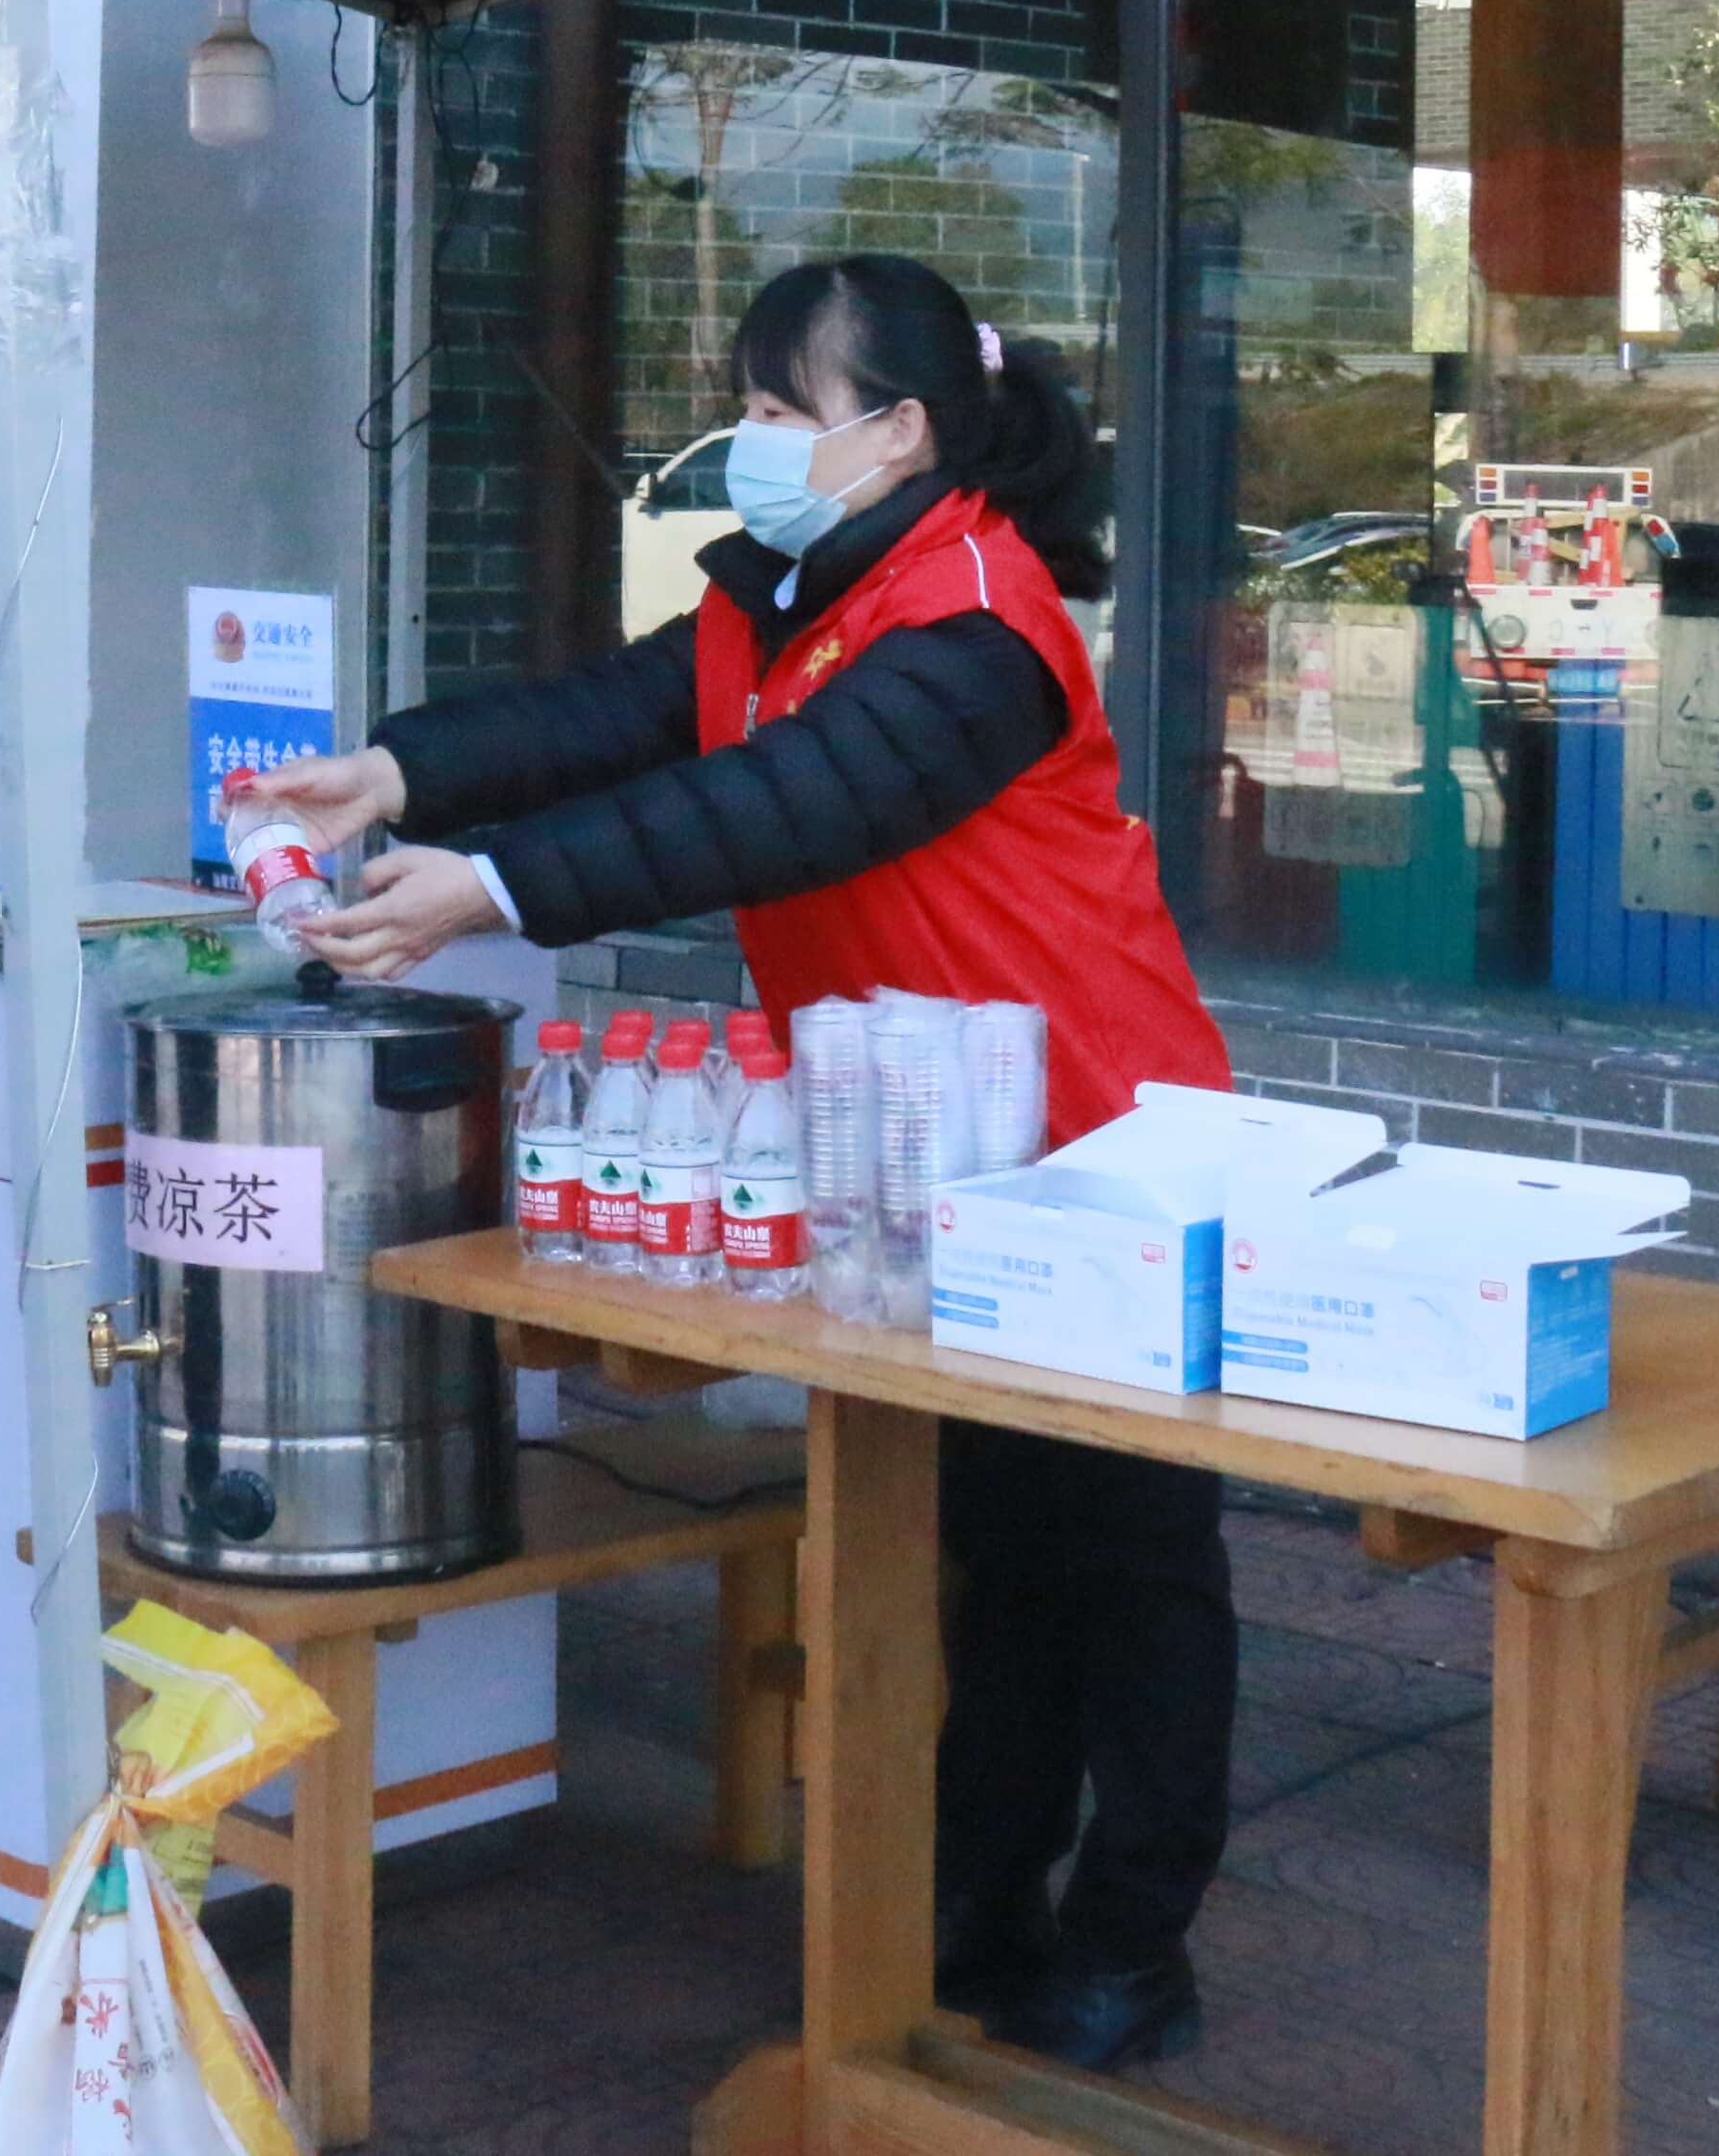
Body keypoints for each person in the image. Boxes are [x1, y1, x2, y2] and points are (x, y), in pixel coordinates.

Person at [260, 253, 1239, 2073]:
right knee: (989, 1545)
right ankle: (975, 1899)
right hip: (927, 1143)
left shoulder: (976, 624)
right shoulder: (779, 599)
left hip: (1106, 1136)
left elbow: (774, 807)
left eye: (789, 408)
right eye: (754, 401)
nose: (755, 439)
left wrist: (490, 890)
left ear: (904, 433)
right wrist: (391, 773)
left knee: (1126, 1554)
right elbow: (602, 720)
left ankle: (1134, 1937)